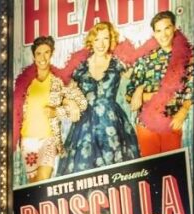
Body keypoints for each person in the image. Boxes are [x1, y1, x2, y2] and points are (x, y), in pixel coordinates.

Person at [59, 21, 139, 175]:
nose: (101, 44)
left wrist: (139, 91)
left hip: (112, 125)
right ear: (91, 41)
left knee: (117, 173)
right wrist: (71, 103)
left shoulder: (118, 63)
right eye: (97, 39)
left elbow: (139, 77)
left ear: (111, 40)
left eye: (105, 38)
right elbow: (63, 94)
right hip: (84, 128)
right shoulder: (80, 67)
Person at [18, 35, 86, 183]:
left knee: (42, 179)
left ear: (52, 53)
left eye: (46, 52)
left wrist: (58, 111)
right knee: (34, 184)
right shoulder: (25, 82)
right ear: (33, 56)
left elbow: (82, 103)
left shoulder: (59, 80)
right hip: (28, 140)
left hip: (49, 139)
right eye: (38, 53)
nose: (42, 57)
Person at [125, 10, 194, 157]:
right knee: (150, 167)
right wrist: (140, 92)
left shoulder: (188, 56)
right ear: (154, 34)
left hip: (172, 120)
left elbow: (192, 88)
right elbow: (129, 93)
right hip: (146, 124)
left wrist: (183, 111)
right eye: (158, 31)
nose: (163, 35)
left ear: (174, 28)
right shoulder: (146, 58)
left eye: (167, 28)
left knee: (172, 166)